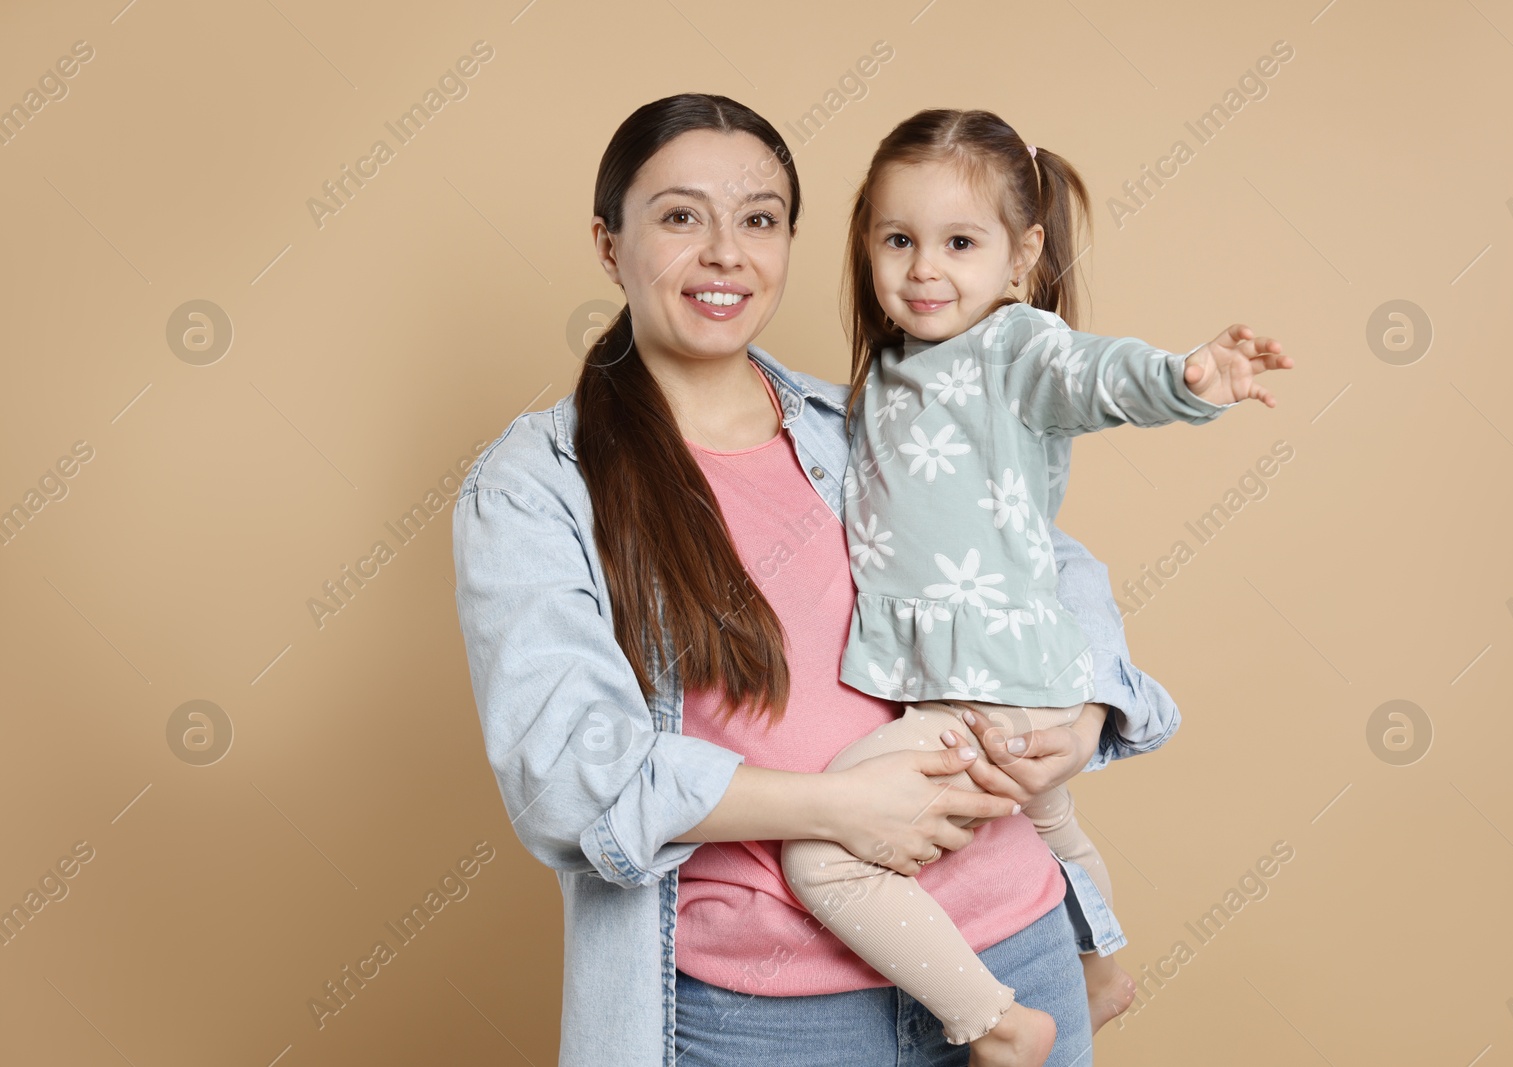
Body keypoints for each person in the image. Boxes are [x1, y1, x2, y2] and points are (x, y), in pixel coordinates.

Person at [452, 93, 1196, 1067]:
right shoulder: (538, 487)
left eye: (757, 218)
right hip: (768, 1015)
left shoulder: (854, 423)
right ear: (608, 241)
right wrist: (833, 808)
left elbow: (1050, 561)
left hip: (1020, 947)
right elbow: (565, 773)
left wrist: (1086, 718)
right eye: (681, 215)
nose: (725, 251)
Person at [777, 108, 1293, 1062]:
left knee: (820, 853)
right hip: (1006, 679)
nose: (925, 268)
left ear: (1021, 258)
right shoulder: (891, 372)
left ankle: (996, 1021)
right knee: (1052, 819)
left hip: (990, 692)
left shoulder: (1013, 348)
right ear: (866, 246)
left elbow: (1095, 373)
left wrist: (1186, 376)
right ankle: (1104, 969)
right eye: (900, 240)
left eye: (960, 243)